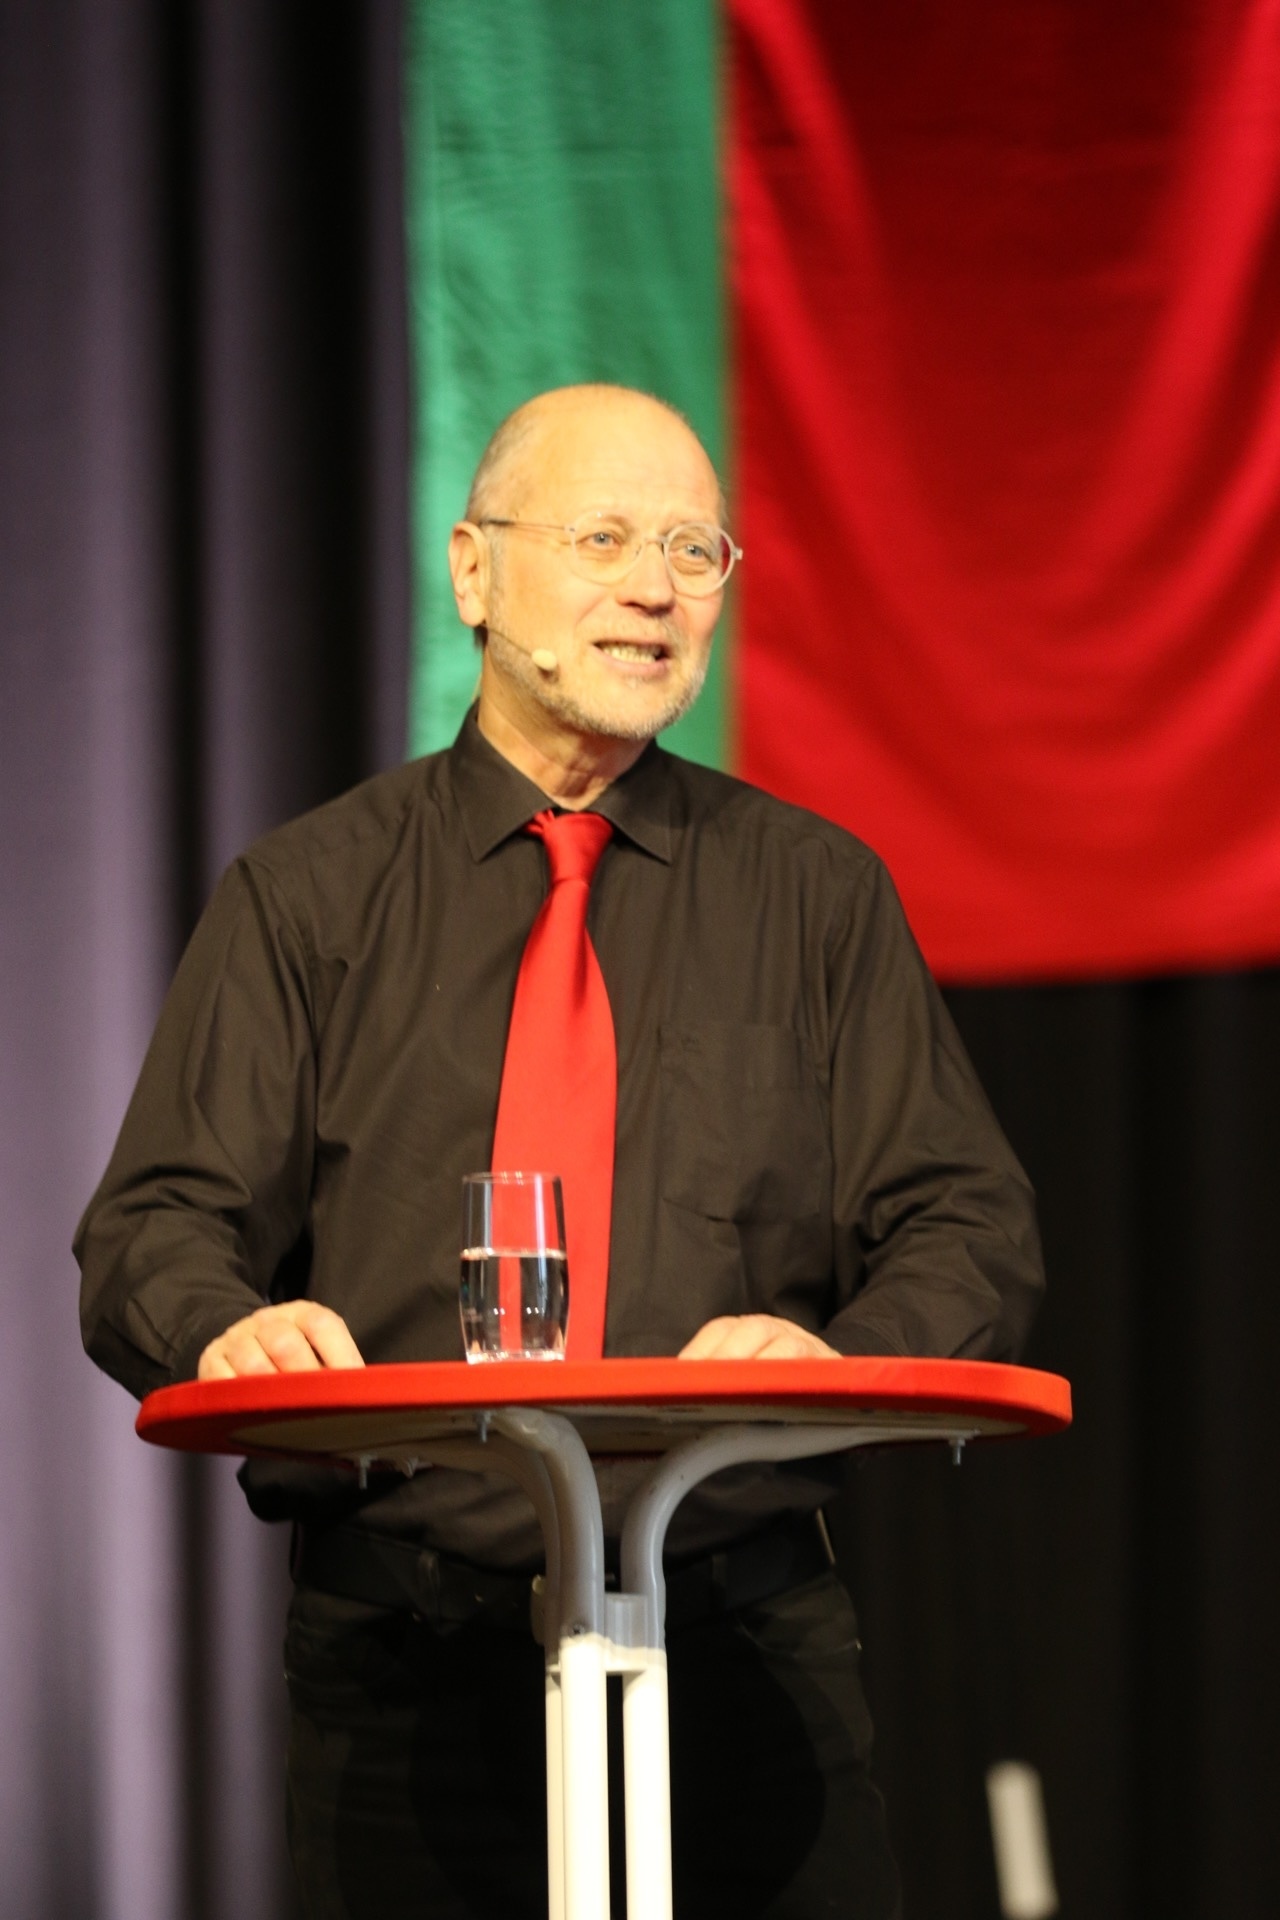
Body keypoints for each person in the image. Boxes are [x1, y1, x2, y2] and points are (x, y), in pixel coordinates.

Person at [77, 384, 1044, 1919]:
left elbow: (970, 1225)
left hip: (743, 1648)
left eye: (694, 550)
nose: (655, 588)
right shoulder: (307, 897)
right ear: (473, 572)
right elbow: (152, 1226)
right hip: (408, 1666)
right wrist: (221, 1326)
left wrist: (834, 1351)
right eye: (603, 539)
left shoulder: (816, 896)